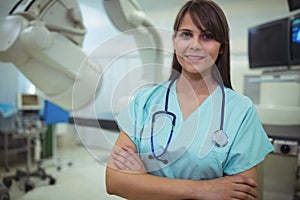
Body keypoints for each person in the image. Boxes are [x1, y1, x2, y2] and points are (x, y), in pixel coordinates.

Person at [106, 0, 274, 199]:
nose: (195, 45)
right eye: (186, 34)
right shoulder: (145, 100)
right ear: (174, 40)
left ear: (221, 47)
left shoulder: (240, 111)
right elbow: (114, 180)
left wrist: (144, 179)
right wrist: (206, 189)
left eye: (207, 36)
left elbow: (239, 194)